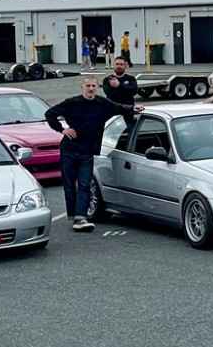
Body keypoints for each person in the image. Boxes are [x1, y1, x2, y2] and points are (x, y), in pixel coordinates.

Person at [43, 76, 142, 231]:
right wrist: (62, 129)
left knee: (85, 184)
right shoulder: (72, 103)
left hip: (87, 151)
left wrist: (133, 108)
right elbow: (49, 114)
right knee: (69, 186)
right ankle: (73, 214)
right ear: (82, 87)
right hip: (69, 150)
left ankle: (80, 217)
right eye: (88, 86)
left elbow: (119, 107)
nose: (90, 89)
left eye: (93, 86)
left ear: (97, 88)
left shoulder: (102, 103)